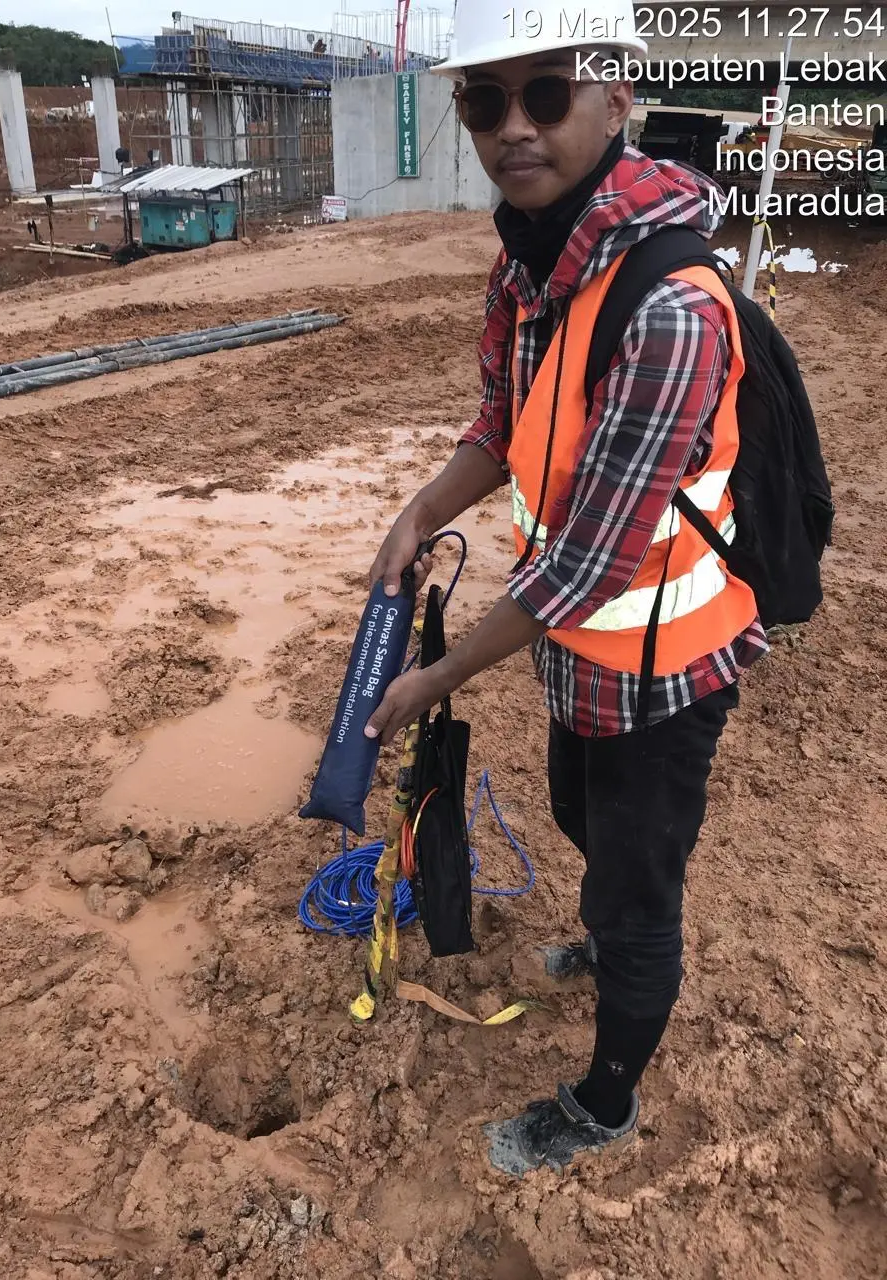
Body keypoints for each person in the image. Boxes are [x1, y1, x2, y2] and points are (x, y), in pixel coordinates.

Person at [363, 0, 768, 1178]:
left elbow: (591, 559)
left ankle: (606, 1100)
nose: (513, 129)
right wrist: (422, 511)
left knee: (638, 889)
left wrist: (432, 677)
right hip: (577, 656)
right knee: (585, 823)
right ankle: (602, 943)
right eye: (485, 102)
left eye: (546, 94)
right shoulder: (531, 256)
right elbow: (504, 421)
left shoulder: (672, 307)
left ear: (616, 98)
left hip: (666, 668)